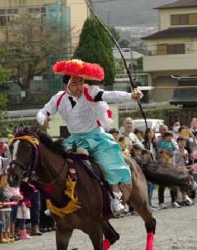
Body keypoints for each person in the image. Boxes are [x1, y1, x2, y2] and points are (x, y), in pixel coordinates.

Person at [36, 59, 143, 216]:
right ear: (66, 85)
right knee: (57, 165)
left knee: (107, 164)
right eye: (75, 83)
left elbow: (109, 95)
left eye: (81, 82)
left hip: (96, 137)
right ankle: (56, 201)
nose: (79, 87)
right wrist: (42, 119)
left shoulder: (90, 92)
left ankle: (115, 197)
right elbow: (43, 111)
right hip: (74, 139)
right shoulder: (59, 98)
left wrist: (130, 96)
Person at [0, 174, 14, 244]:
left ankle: (7, 236)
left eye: (6, 180)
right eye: (3, 180)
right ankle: (1, 238)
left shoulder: (7, 191)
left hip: (8, 209)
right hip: (1, 210)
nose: (5, 182)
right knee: (3, 224)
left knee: (7, 224)